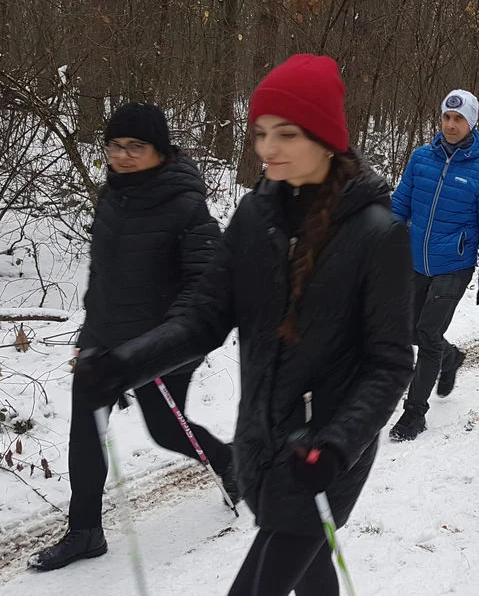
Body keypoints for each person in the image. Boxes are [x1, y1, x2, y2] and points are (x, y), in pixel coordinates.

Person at [71, 55, 414, 595]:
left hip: (320, 454)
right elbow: (205, 316)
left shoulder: (378, 234)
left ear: (325, 139)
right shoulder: (256, 217)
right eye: (260, 133)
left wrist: (337, 444)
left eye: (286, 133)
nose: (266, 149)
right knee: (312, 570)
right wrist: (122, 365)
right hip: (260, 439)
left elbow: (391, 362)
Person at [28, 103, 233, 572]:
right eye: (114, 146)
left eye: (134, 147)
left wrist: (160, 342)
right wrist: (89, 332)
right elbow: (103, 276)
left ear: (159, 151)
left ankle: (230, 462)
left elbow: (205, 285)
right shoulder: (113, 197)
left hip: (162, 345)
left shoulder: (186, 205)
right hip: (106, 340)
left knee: (166, 429)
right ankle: (85, 532)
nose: (121, 156)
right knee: (85, 428)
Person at [389, 89, 479, 441]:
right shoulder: (421, 158)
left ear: (471, 122)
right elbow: (399, 207)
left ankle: (414, 414)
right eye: (446, 117)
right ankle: (450, 356)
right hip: (414, 261)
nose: (451, 124)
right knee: (406, 330)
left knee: (425, 335)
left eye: (459, 119)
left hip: (453, 267)